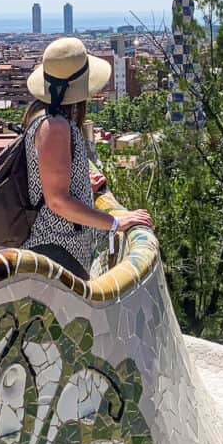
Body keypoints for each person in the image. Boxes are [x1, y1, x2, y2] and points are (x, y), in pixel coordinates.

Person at [23, 37, 153, 279]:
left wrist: (80, 184)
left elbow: (46, 181)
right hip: (57, 249)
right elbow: (56, 202)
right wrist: (115, 222)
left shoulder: (45, 117)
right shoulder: (55, 126)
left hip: (58, 247)